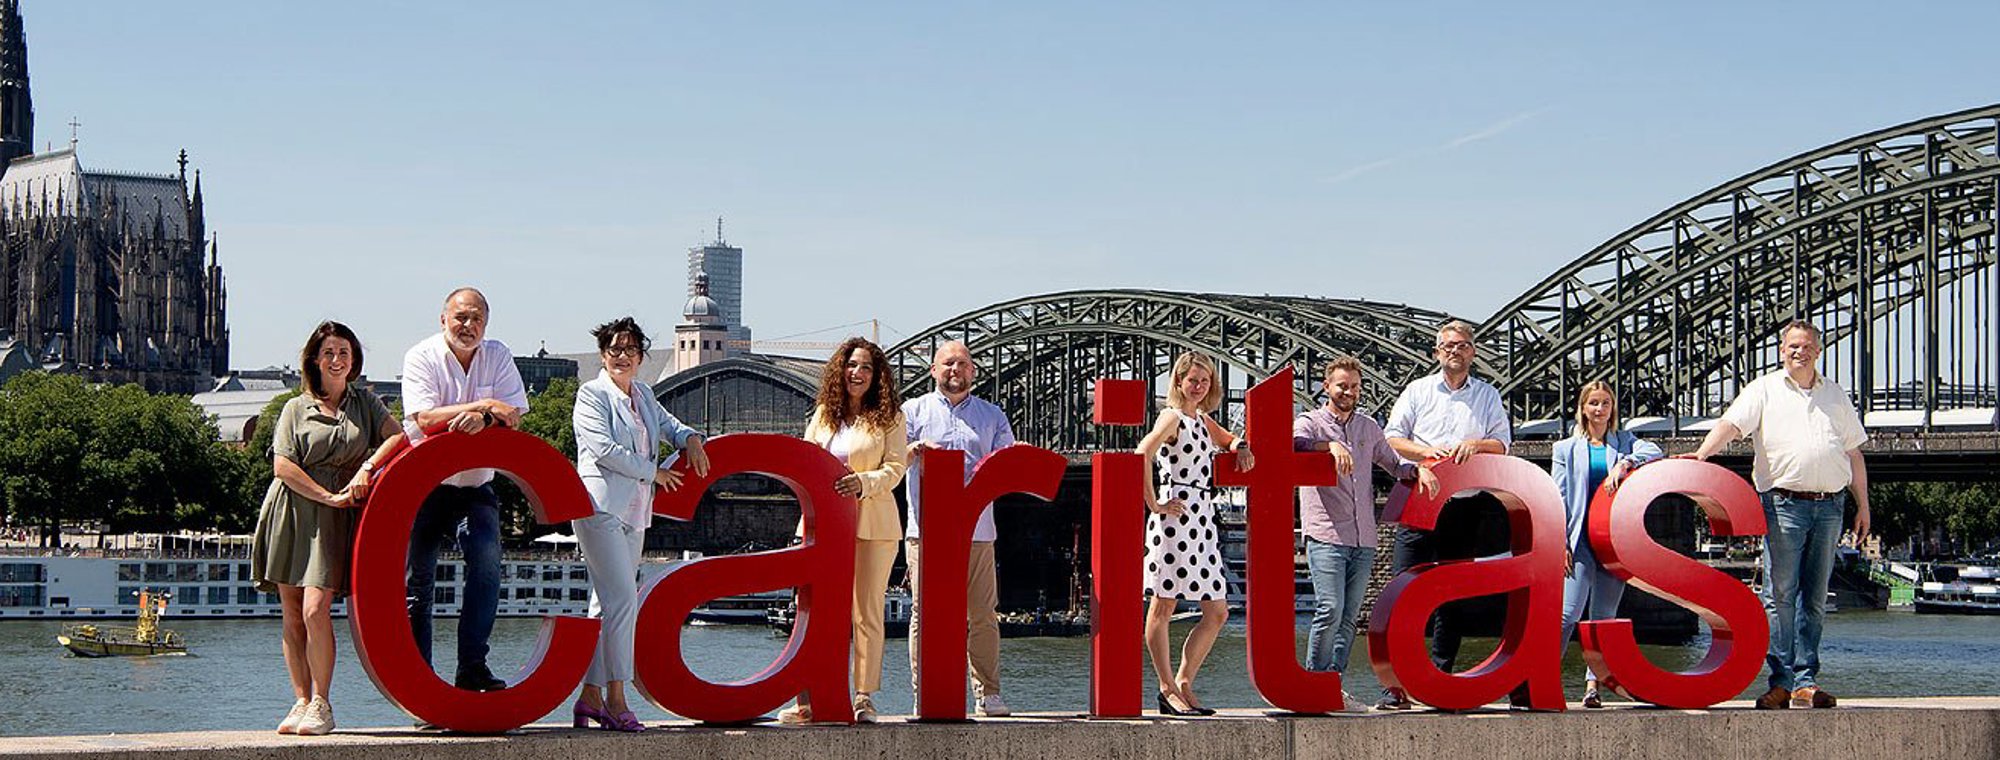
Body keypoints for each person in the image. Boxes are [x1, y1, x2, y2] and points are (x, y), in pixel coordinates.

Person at [1688, 320, 1869, 710]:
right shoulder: (1764, 390)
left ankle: (1806, 680)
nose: (1798, 352)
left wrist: (1864, 506)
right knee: (1781, 595)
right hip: (1783, 503)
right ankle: (1781, 681)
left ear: (1818, 351)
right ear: (1781, 350)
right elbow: (1731, 425)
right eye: (1791, 346)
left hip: (1830, 504)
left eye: (1805, 346)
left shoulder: (1834, 395)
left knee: (1816, 597)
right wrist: (1702, 455)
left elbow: (1854, 453)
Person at [250, 321, 405, 736]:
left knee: (316, 609)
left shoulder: (365, 403)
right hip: (293, 511)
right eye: (329, 353)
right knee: (292, 616)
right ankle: (300, 700)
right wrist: (328, 496)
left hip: (336, 518)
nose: (337, 360)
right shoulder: (294, 408)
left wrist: (369, 466)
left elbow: (399, 437)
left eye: (344, 353)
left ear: (353, 360)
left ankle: (323, 703)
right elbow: (283, 466)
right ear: (314, 360)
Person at [569, 317, 711, 732]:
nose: (623, 356)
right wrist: (655, 473)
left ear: (641, 356)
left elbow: (670, 425)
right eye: (615, 349)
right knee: (623, 601)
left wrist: (691, 439)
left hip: (634, 512)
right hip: (601, 509)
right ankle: (617, 697)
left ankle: (588, 698)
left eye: (631, 349)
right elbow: (604, 450)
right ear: (603, 354)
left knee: (604, 606)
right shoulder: (590, 394)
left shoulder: (645, 394)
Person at [400, 287, 528, 695]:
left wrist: (487, 420)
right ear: (443, 320)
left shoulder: (498, 354)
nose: (467, 325)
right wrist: (485, 403)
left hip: (476, 486)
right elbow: (422, 419)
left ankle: (472, 669)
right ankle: (418, 679)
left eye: (476, 318)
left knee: (488, 567)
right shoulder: (421, 356)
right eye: (460, 317)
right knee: (418, 582)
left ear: (486, 324)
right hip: (425, 487)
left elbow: (515, 416)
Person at [1378, 320, 1511, 710]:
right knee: (1403, 591)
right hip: (1420, 499)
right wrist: (1428, 454)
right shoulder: (1418, 391)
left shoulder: (1487, 396)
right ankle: (1395, 685)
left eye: (1464, 345)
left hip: (1466, 505)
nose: (1456, 351)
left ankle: (1440, 678)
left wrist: (1476, 443)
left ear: (1473, 352)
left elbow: (1503, 443)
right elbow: (1392, 437)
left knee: (1450, 594)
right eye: (1449, 345)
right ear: (1437, 351)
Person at [1292, 356, 1433, 712]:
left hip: (1363, 537)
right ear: (1327, 386)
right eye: (1342, 385)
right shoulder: (1310, 423)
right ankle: (1312, 684)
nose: (1349, 392)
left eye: (1354, 386)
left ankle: (1332, 689)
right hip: (1326, 533)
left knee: (1350, 616)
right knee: (1329, 608)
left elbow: (1393, 463)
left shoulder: (1369, 427)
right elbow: (1294, 445)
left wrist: (1420, 471)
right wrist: (1331, 446)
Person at [779, 337, 908, 724]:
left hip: (873, 524)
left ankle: (863, 697)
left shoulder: (891, 417)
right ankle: (810, 697)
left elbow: (896, 468)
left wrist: (863, 482)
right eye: (852, 365)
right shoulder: (823, 414)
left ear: (877, 375)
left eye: (867, 366)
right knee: (815, 611)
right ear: (841, 370)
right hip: (823, 526)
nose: (858, 373)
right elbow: (804, 463)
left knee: (866, 611)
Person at [902, 341, 1017, 717]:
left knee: (983, 614)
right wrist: (914, 448)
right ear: (933, 370)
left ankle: (988, 693)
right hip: (927, 533)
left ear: (973, 372)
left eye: (963, 363)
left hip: (979, 532)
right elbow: (890, 463)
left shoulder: (992, 415)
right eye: (948, 363)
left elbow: (1007, 466)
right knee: (924, 613)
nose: (956, 369)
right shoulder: (912, 411)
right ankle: (927, 692)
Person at [1138, 352, 1253, 716]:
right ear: (1179, 381)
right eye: (1192, 380)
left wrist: (1241, 447)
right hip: (1174, 517)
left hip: (1202, 519)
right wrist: (1154, 502)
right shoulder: (1172, 417)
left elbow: (1230, 439)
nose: (1199, 386)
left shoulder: (1201, 420)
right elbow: (1142, 452)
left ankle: (1185, 682)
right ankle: (1166, 688)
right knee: (1164, 605)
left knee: (1217, 611)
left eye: (1205, 381)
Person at [1550, 381, 1661, 708]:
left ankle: (1592, 684)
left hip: (1613, 542)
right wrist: (1560, 541)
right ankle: (1541, 675)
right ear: (1583, 408)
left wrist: (1624, 463)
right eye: (1594, 403)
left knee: (1603, 618)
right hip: (1580, 540)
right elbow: (1559, 496)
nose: (1600, 409)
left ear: (1613, 409)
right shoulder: (1565, 449)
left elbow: (1654, 451)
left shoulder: (1624, 442)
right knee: (1567, 615)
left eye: (1606, 403)